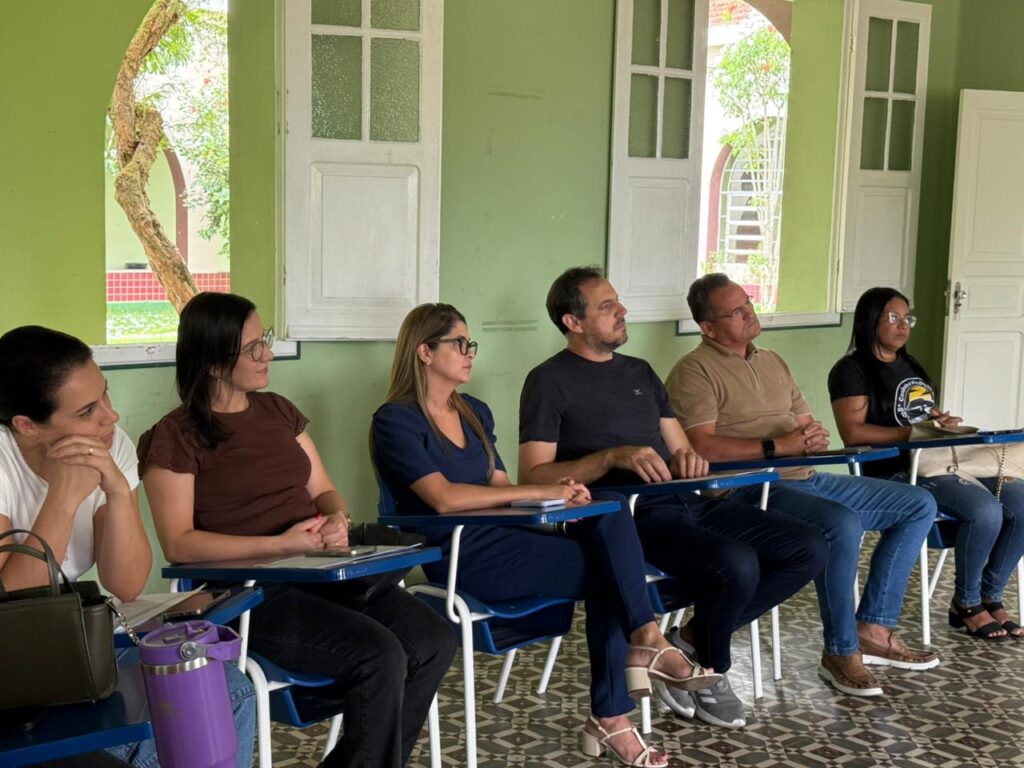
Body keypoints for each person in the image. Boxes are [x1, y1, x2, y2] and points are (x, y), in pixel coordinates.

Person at [372, 302, 717, 767]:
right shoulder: (396, 420)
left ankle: (638, 660)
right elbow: (444, 499)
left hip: (512, 537)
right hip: (462, 555)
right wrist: (541, 489)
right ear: (425, 352)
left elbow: (501, 489)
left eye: (471, 344)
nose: (470, 353)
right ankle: (625, 688)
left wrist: (563, 495)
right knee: (613, 570)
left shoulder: (474, 412)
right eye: (460, 343)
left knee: (609, 508)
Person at [138, 292, 456, 768]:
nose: (268, 354)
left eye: (265, 340)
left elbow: (325, 490)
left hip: (325, 573)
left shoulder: (279, 412)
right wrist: (281, 544)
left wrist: (337, 519)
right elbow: (179, 543)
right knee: (380, 656)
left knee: (433, 640)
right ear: (214, 362)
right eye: (253, 348)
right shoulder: (176, 436)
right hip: (252, 594)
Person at [517, 267, 826, 729]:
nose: (623, 310)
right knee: (737, 563)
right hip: (625, 516)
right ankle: (713, 671)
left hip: (685, 500)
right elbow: (532, 475)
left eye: (618, 300)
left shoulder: (640, 372)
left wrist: (688, 460)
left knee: (809, 547)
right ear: (573, 322)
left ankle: (691, 644)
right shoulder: (548, 380)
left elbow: (682, 449)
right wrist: (611, 458)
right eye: (607, 306)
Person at [667, 273, 940, 698]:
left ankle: (873, 628)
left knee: (919, 503)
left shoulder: (772, 360)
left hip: (806, 476)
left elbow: (807, 424)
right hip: (749, 488)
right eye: (736, 311)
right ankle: (840, 651)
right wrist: (778, 446)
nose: (749, 313)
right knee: (841, 523)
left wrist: (812, 437)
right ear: (708, 327)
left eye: (748, 303)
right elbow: (701, 446)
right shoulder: (694, 370)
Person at [0, 325, 255, 768]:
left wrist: (118, 492)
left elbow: (127, 583)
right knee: (153, 729)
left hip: (66, 645)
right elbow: (11, 604)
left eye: (105, 394)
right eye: (87, 410)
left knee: (226, 687)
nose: (111, 417)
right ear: (27, 426)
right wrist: (62, 499)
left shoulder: (109, 444)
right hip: (15, 662)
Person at [829, 287, 1024, 640]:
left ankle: (990, 595)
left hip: (938, 462)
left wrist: (939, 423)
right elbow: (853, 433)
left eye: (908, 318)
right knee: (985, 511)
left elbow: (919, 416)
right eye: (894, 317)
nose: (903, 325)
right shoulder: (851, 369)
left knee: (1021, 502)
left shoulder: (911, 365)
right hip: (894, 472)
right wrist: (912, 433)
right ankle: (966, 603)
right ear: (870, 320)